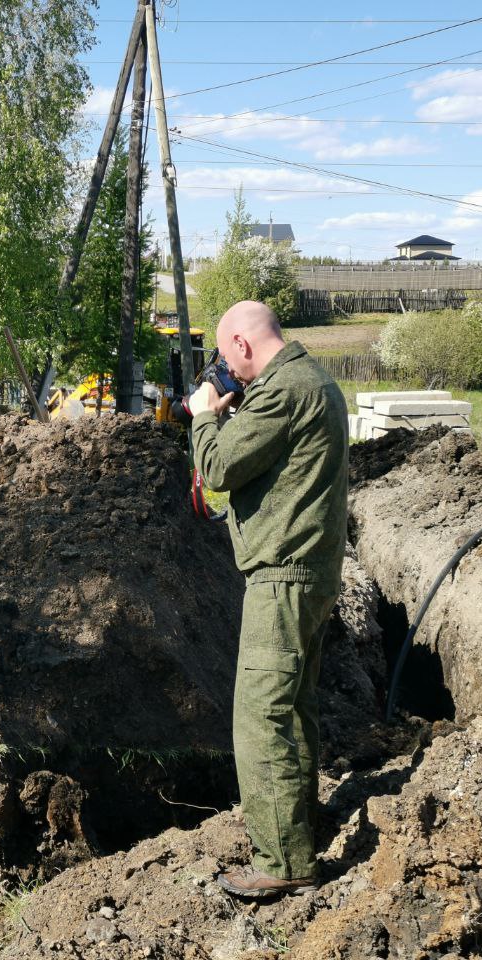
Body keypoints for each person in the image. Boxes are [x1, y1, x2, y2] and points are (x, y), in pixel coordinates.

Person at [186, 300, 349, 899]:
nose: (226, 371)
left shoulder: (283, 391)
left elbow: (221, 468)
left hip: (283, 577)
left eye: (226, 357)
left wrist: (204, 417)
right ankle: (299, 830)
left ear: (243, 345)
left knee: (260, 717)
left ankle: (281, 860)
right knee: (294, 708)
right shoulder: (314, 381)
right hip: (312, 571)